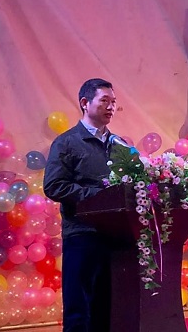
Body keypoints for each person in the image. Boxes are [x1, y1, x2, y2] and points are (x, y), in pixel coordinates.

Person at [43, 78, 117, 332]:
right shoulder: (66, 142)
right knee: (79, 308)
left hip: (114, 236)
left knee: (106, 307)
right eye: (104, 101)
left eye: (113, 102)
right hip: (81, 234)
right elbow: (54, 186)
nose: (111, 107)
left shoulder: (118, 144)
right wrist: (96, 195)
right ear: (85, 103)